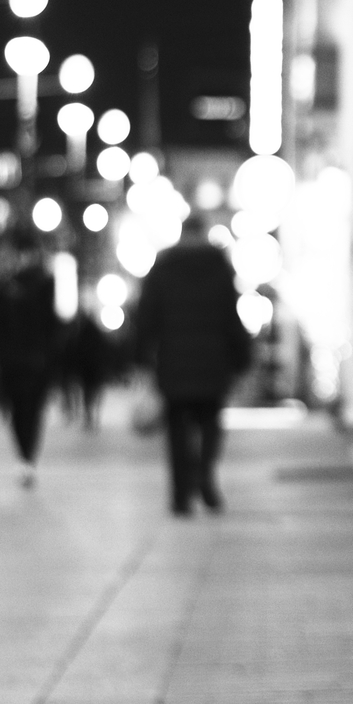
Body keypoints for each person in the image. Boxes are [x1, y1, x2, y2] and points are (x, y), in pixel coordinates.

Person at [134, 214, 251, 515]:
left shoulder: (162, 268)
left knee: (176, 430)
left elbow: (146, 318)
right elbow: (231, 318)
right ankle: (204, 477)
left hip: (174, 362)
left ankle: (180, 496)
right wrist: (241, 359)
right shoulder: (219, 267)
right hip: (213, 362)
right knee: (210, 424)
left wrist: (140, 357)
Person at [0, 229, 58, 487]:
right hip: (14, 360)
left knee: (32, 410)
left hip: (35, 359)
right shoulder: (6, 286)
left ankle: (28, 458)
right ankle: (25, 457)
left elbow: (49, 324)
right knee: (20, 410)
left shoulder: (44, 283)